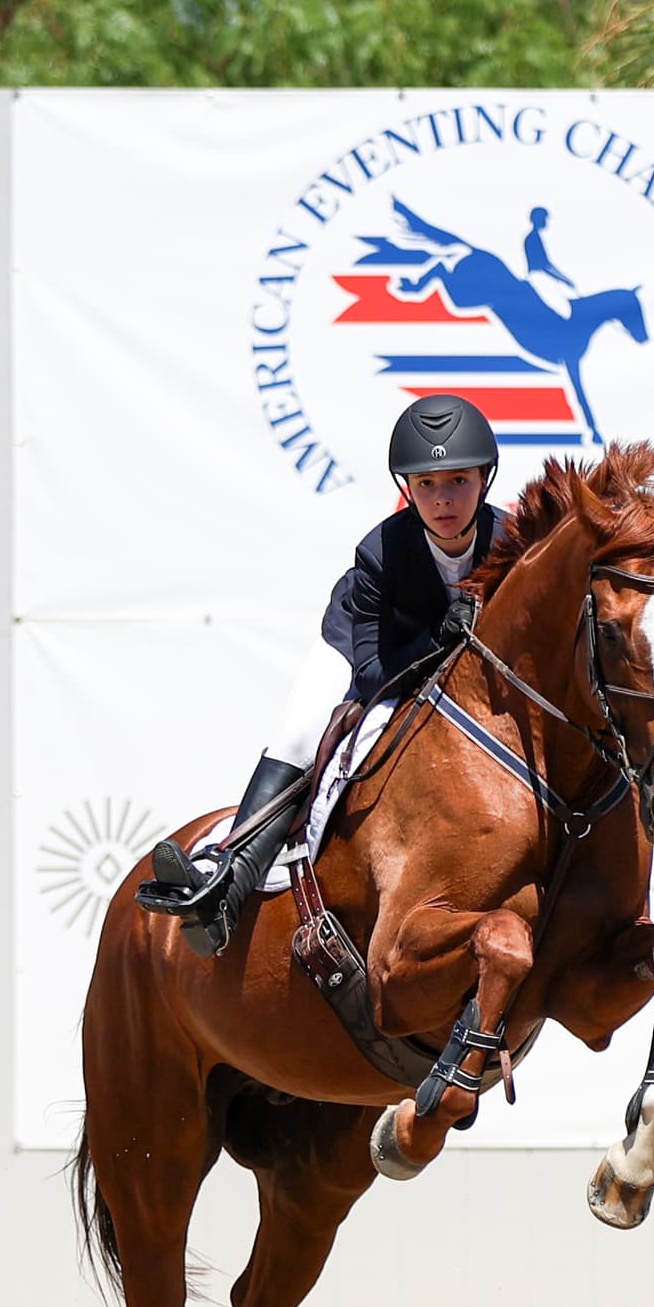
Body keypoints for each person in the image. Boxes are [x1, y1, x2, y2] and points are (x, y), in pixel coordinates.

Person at [136, 394, 504, 953]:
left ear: (484, 479)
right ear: (407, 489)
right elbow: (376, 670)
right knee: (302, 735)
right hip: (365, 656)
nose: (442, 499)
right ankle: (226, 885)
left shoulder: (516, 547)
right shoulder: (383, 552)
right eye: (425, 485)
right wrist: (438, 639)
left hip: (456, 684)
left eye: (456, 480)